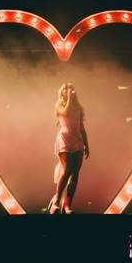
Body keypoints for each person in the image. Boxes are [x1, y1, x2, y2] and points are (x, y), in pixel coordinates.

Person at [48, 82, 89, 214]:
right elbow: (65, 113)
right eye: (66, 88)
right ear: (62, 92)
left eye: (71, 87)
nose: (69, 89)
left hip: (77, 140)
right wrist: (70, 99)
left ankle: (67, 205)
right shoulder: (59, 105)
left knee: (75, 174)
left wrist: (86, 144)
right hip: (65, 138)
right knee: (67, 171)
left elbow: (81, 128)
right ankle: (56, 202)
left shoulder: (79, 107)